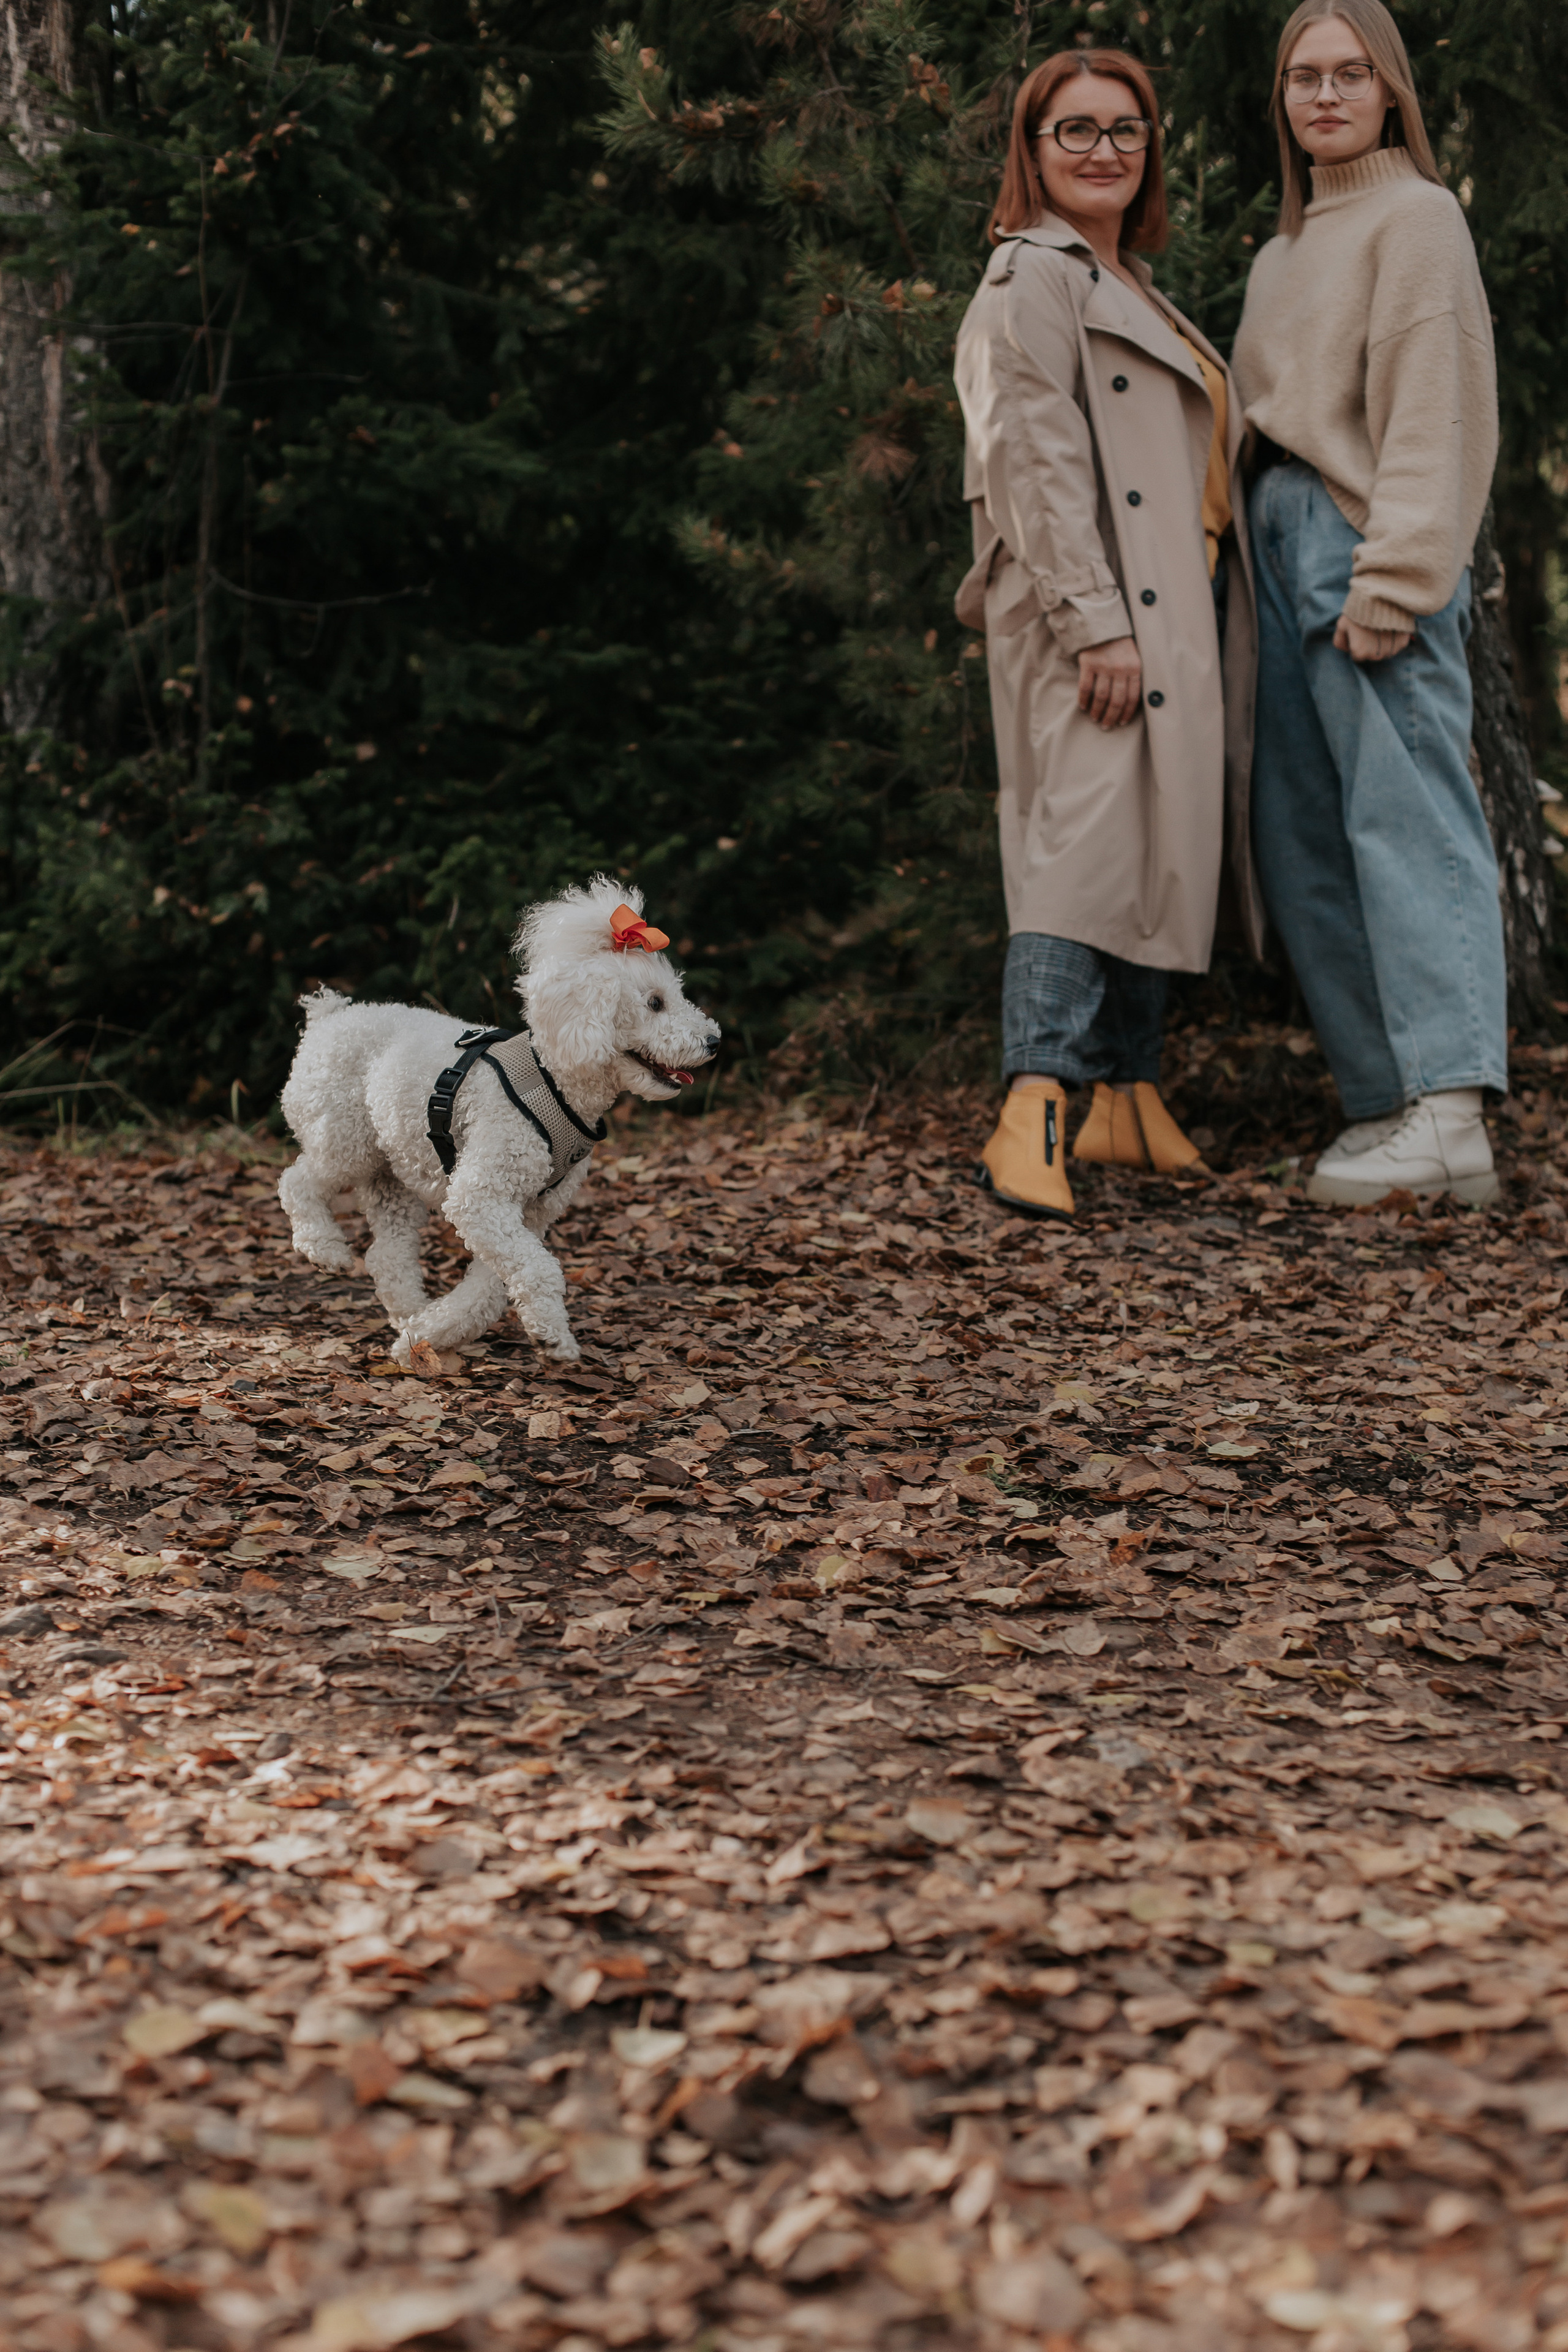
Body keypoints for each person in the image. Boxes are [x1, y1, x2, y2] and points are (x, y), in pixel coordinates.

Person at [953, 48, 1261, 1225]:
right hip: (1089, 610)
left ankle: (1127, 1098)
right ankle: (1030, 1104)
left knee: (1150, 843)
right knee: (1077, 854)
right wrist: (1094, 624)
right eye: (1073, 131)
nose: (1103, 151)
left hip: (1167, 607)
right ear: (1031, 152)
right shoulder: (1028, 275)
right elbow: (1026, 455)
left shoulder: (1129, 282)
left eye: (1124, 130)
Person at [1232, 0, 1504, 1208]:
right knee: (1299, 835)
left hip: (1358, 537)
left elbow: (1432, 406)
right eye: (1303, 76)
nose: (1325, 94)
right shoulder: (1279, 254)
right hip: (1273, 538)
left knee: (1405, 813)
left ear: (1389, 91)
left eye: (1350, 73)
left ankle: (1450, 1106)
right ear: (1280, 99)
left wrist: (1397, 578)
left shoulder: (1418, 217)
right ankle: (1388, 1109)